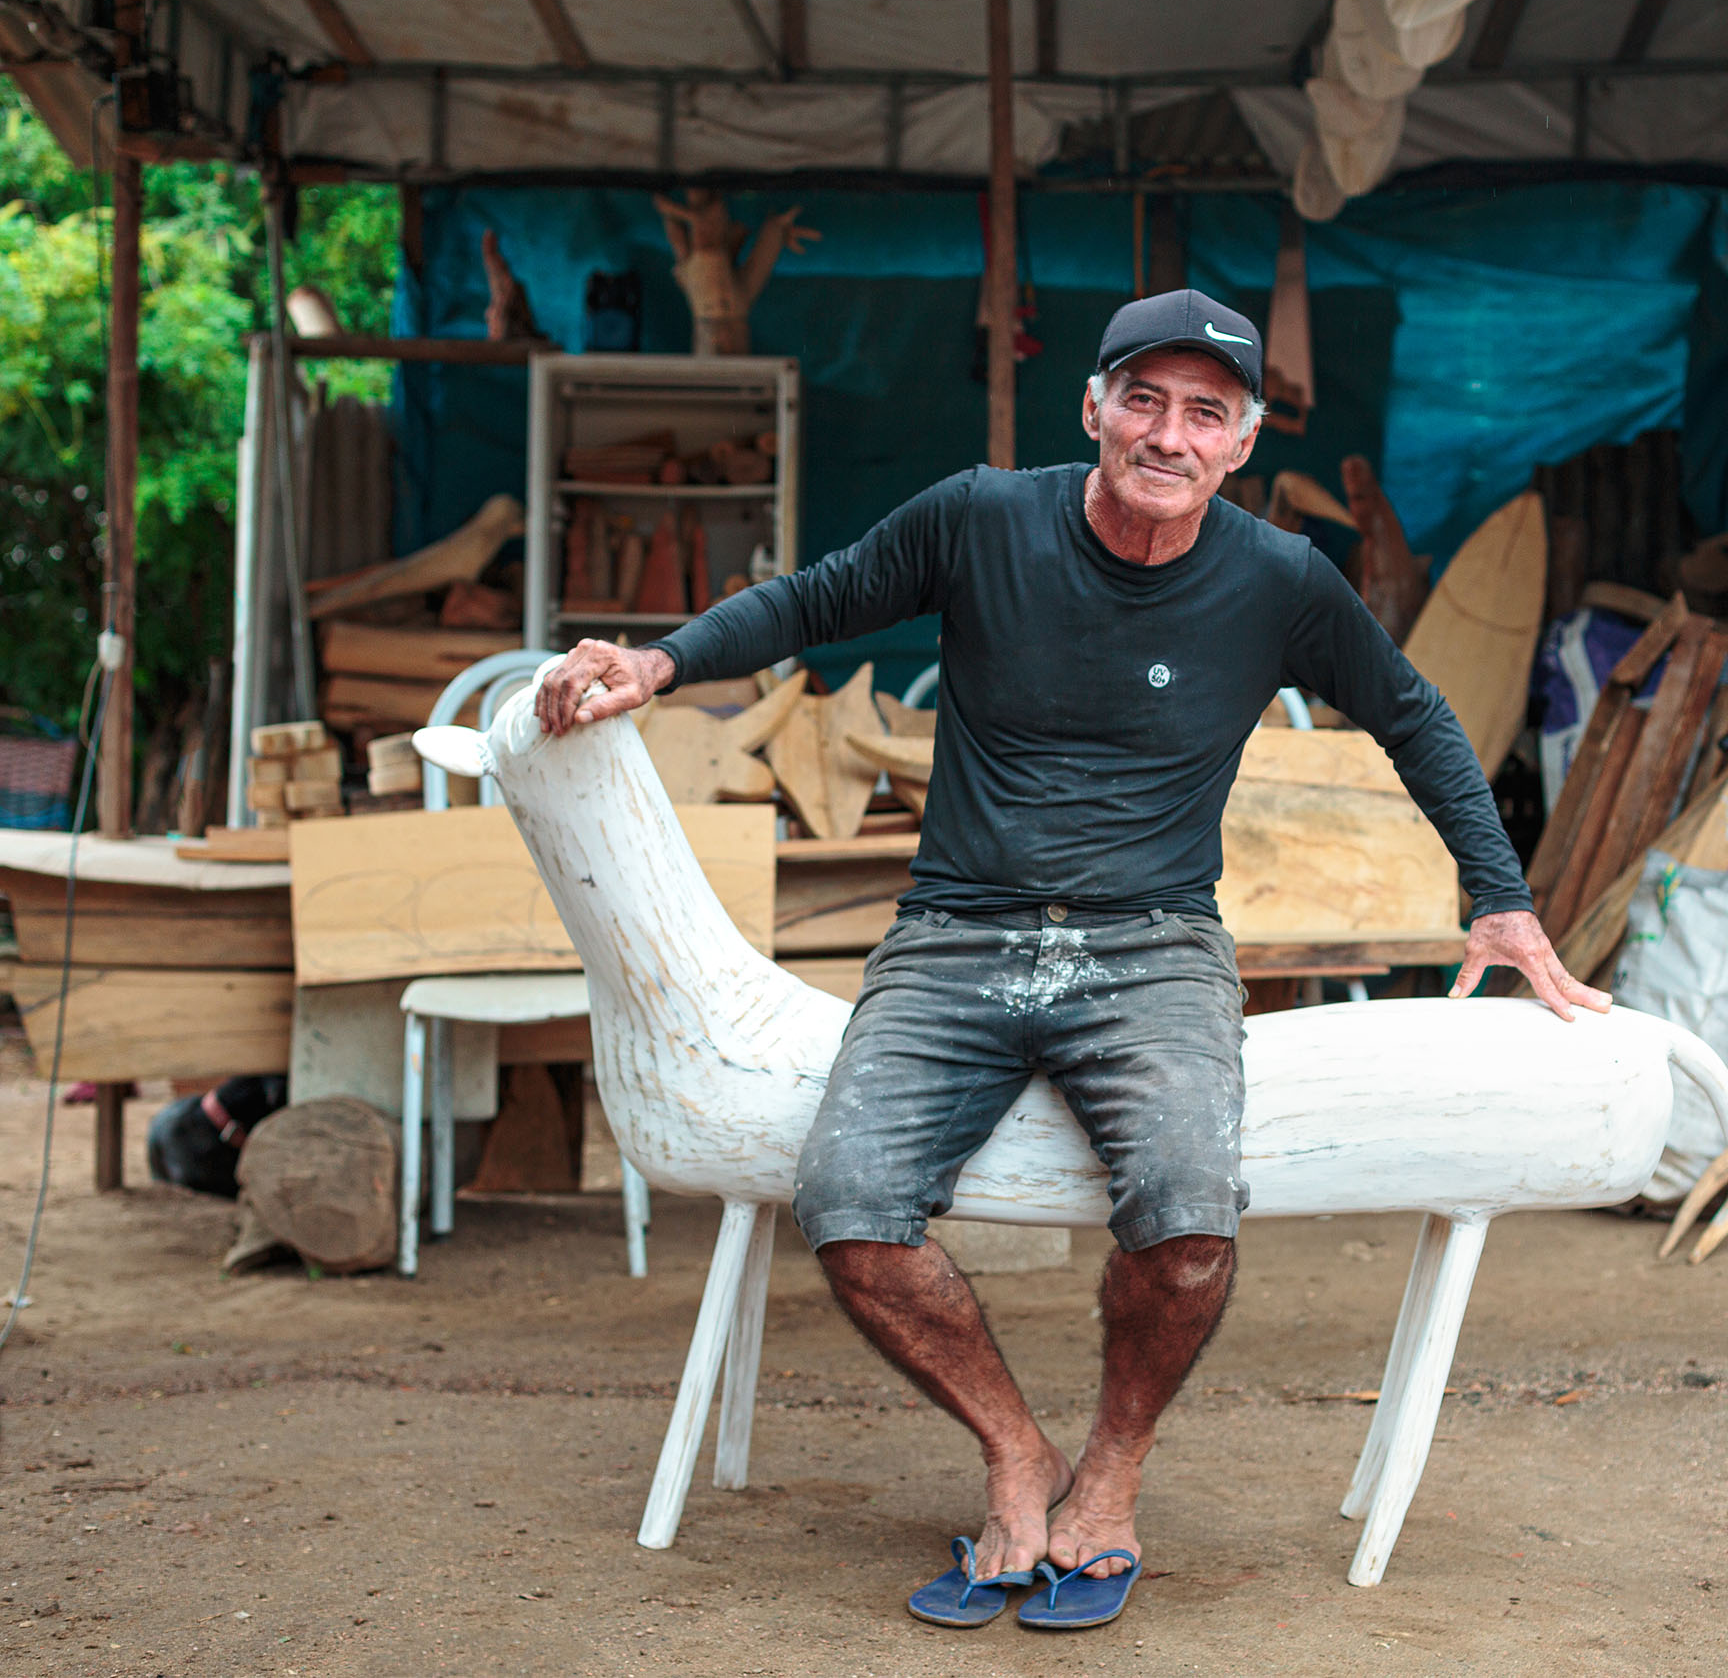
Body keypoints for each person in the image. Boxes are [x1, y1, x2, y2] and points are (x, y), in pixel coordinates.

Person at [534, 288, 1606, 1630]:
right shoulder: (983, 517)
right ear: (1091, 405)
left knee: (1191, 1220)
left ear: (1241, 442)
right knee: (852, 1204)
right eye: (1142, 399)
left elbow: (1416, 714)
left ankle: (1107, 1474)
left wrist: (1502, 899)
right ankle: (1011, 1451)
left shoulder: (1279, 580)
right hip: (955, 933)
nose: (1167, 433)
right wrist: (661, 658)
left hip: (1155, 945)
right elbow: (817, 599)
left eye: (1204, 412)